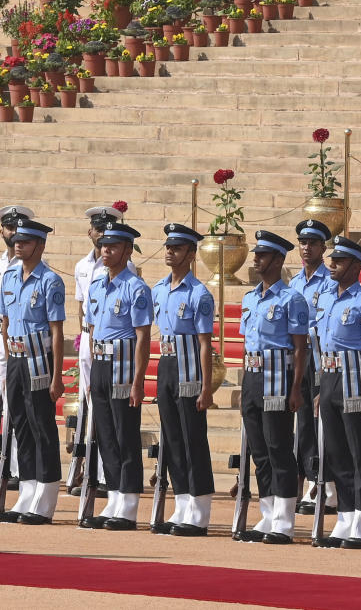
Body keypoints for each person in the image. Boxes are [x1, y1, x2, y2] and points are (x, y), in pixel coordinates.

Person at [235, 230, 308, 544]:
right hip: (253, 377)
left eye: (262, 255)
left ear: (278, 260)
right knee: (259, 451)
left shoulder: (292, 299)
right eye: (256, 254)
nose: (256, 260)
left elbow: (300, 348)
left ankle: (284, 520)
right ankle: (267, 515)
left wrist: (296, 388)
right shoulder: (250, 297)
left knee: (279, 447)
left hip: (279, 375)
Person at [0, 219, 65, 525]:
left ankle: (45, 496)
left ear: (40, 245)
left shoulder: (50, 281)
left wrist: (58, 375)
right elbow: (5, 320)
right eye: (16, 241)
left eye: (25, 241)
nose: (18, 245)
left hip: (40, 357)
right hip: (17, 358)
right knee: (20, 424)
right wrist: (10, 359)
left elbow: (57, 331)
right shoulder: (9, 276)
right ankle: (27, 489)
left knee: (41, 425)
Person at [81, 221, 152, 530]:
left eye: (112, 246)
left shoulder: (135, 287)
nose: (105, 250)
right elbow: (93, 327)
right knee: (106, 435)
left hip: (123, 366)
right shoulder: (96, 284)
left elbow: (143, 337)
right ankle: (113, 497)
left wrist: (138, 381)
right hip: (100, 363)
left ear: (127, 250)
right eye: (104, 245)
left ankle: (129, 503)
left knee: (125, 434)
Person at [150, 224, 215, 536]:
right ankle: (182, 503)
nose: (169, 252)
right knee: (173, 439)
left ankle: (199, 510)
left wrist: (205, 385)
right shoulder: (159, 289)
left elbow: (205, 343)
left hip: (189, 367)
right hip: (167, 364)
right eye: (168, 247)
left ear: (191, 254)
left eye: (176, 248)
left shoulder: (199, 293)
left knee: (192, 439)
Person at [71, 205, 136, 495]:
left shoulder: (127, 272)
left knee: (113, 415)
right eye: (99, 231)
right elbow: (81, 308)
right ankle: (89, 469)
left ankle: (107, 476)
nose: (102, 238)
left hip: (118, 348)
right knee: (91, 406)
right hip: (91, 340)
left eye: (108, 234)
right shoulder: (83, 267)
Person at [313, 236, 361, 549]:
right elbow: (322, 345)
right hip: (331, 377)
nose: (332, 265)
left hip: (356, 376)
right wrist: (321, 388)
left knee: (360, 451)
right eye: (332, 259)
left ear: (356, 266)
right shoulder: (326, 297)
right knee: (336, 452)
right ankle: (346, 517)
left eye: (340, 261)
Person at [289, 219, 337, 515]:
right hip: (299, 359)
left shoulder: (331, 281)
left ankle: (326, 485)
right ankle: (308, 482)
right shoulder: (293, 283)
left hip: (321, 359)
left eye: (312, 244)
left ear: (323, 247)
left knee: (324, 423)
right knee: (303, 424)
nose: (306, 248)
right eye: (303, 243)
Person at [0, 205, 34, 486]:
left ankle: (19, 467)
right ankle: (6, 461)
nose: (13, 233)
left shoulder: (26, 264)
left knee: (20, 402)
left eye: (18, 228)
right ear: (1, 230)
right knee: (5, 401)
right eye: (8, 227)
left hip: (21, 338)